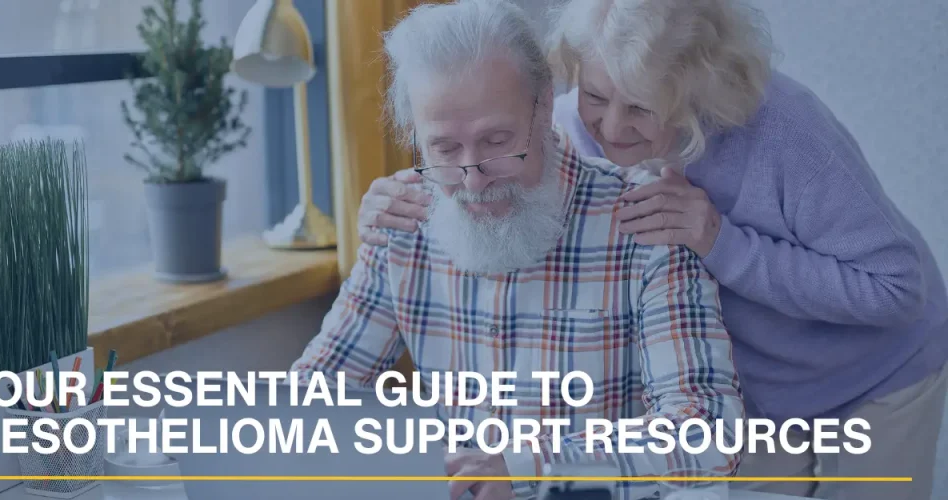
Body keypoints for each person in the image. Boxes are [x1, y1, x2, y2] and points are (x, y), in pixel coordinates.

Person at [356, 1, 948, 499]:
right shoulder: (565, 128)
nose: (610, 128)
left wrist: (720, 241)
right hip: (748, 395)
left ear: (698, 90)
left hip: (874, 380)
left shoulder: (784, 133)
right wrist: (392, 205)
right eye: (595, 95)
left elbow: (895, 288)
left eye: (641, 106)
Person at [291, 1, 745, 499]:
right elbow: (314, 401)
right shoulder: (402, 221)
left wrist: (527, 468)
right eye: (443, 149)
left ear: (545, 105)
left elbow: (709, 436)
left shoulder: (643, 222)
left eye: (496, 141)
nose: (472, 178)